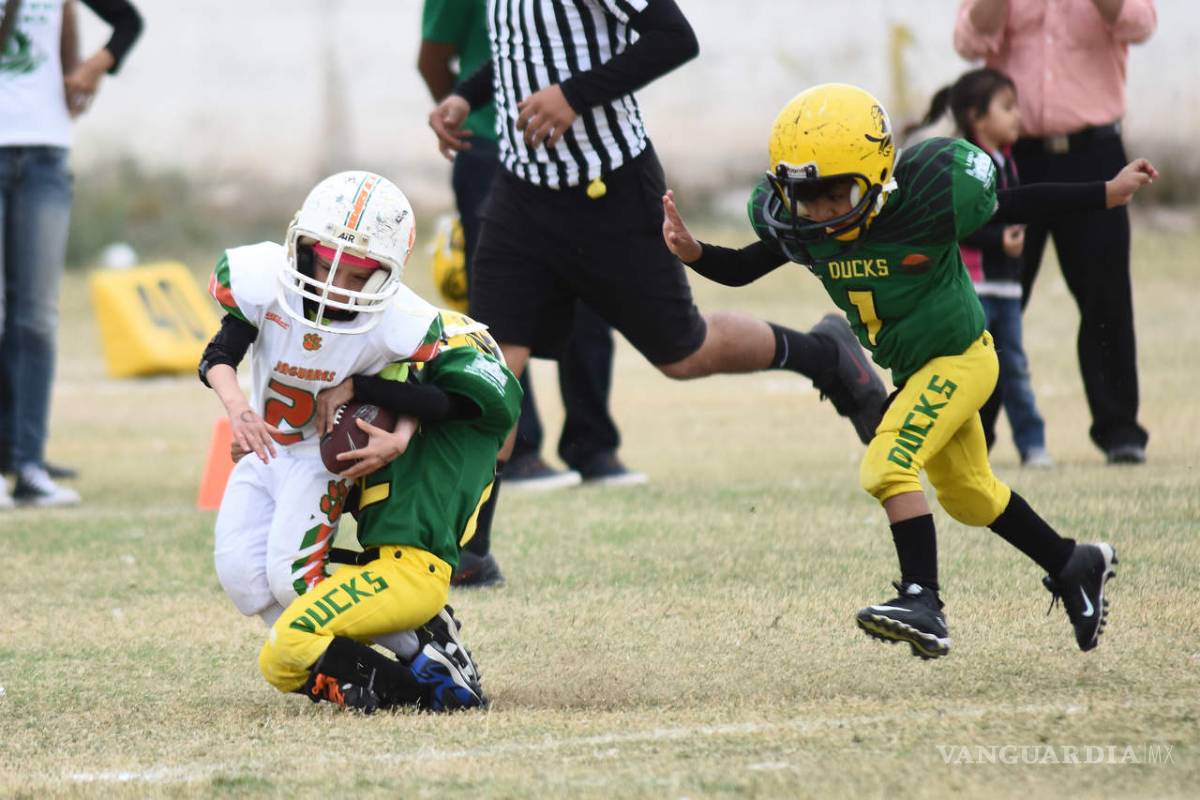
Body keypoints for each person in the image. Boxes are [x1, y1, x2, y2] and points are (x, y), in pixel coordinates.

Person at [662, 84, 1156, 657]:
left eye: (834, 193)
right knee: (969, 494)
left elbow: (1020, 201)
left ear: (874, 180)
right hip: (918, 370)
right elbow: (747, 266)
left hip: (962, 358)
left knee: (888, 461)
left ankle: (923, 601)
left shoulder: (924, 202)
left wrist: (1107, 192)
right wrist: (695, 252)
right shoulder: (805, 233)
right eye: (805, 195)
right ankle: (1074, 562)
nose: (819, 210)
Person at [427, 2, 885, 515]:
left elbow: (673, 37)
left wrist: (574, 96)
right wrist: (467, 96)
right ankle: (465, 554)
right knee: (494, 363)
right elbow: (527, 48)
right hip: (520, 193)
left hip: (610, 189)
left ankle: (824, 356)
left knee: (684, 352)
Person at [418, 0, 644, 588]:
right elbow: (434, 56)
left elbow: (651, 38)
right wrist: (467, 108)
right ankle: (519, 454)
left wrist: (576, 96)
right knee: (502, 323)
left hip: (571, 146)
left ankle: (592, 444)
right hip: (493, 150)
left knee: (591, 297)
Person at [200, 170, 446, 636]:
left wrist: (398, 438)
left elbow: (426, 397)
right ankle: (329, 659)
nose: (335, 284)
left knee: (293, 581)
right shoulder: (266, 286)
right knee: (244, 580)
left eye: (356, 275)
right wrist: (240, 411)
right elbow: (217, 356)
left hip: (319, 457)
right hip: (266, 449)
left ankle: (416, 649)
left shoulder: (393, 323)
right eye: (326, 264)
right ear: (304, 249)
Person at [257, 309, 521, 713]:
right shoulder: (408, 427)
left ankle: (425, 688)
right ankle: (413, 664)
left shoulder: (469, 384)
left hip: (413, 572)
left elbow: (437, 402)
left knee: (285, 647)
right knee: (278, 629)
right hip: (380, 569)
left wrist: (359, 385)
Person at [954, 0, 1158, 464]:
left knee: (1104, 293)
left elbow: (1140, 23)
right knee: (989, 300)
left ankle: (1120, 430)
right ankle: (972, 431)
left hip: (1093, 147)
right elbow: (968, 41)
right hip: (1011, 155)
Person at [0, 0, 142, 507]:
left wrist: (89, 69)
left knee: (35, 317)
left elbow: (128, 22)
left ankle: (29, 466)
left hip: (45, 151)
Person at [909, 67, 1051, 467]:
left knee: (1015, 370)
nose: (1018, 116)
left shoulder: (1008, 162)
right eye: (1007, 107)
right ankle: (956, 448)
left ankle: (1033, 446)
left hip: (1007, 289)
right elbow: (957, 224)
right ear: (976, 117)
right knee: (966, 375)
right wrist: (997, 241)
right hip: (972, 290)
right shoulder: (967, 167)